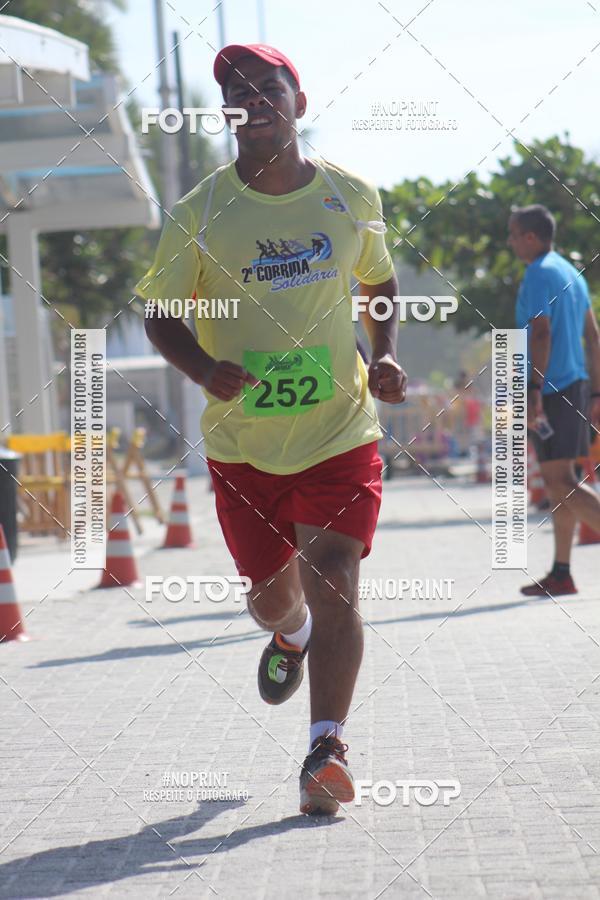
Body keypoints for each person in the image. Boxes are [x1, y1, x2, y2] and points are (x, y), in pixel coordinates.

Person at [137, 43, 407, 814]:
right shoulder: (198, 213)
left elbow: (379, 280)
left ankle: (326, 748)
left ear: (300, 99)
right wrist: (202, 369)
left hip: (339, 431)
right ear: (225, 113)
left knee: (336, 577)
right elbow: (159, 311)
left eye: (269, 87)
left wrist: (385, 354)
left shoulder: (350, 196)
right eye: (238, 92)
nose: (254, 99)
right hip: (243, 445)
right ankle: (287, 635)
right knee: (272, 599)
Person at [508, 204, 600, 596]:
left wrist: (533, 391)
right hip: (575, 386)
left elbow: (541, 335)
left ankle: (562, 571)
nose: (510, 242)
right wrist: (595, 391)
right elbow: (593, 337)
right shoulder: (570, 272)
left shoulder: (539, 274)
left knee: (560, 483)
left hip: (553, 389)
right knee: (565, 481)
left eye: (513, 235)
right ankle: (562, 572)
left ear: (530, 237)